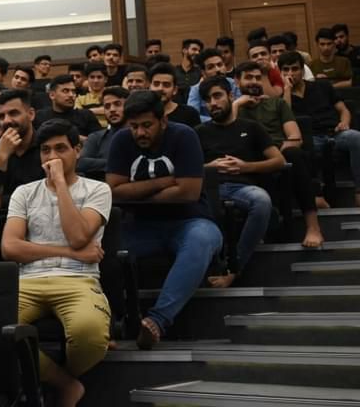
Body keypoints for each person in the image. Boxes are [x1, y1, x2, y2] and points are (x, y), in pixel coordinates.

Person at [2, 120, 112, 407]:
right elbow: (10, 247)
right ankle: (65, 384)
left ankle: (50, 377)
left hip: (78, 279)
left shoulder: (98, 189)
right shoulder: (24, 192)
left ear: (78, 150)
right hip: (28, 280)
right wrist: (72, 253)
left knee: (89, 335)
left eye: (61, 148)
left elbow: (78, 236)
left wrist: (61, 183)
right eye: (46, 150)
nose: (52, 157)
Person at [105, 90, 222, 349]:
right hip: (140, 226)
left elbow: (188, 192)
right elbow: (113, 191)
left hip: (191, 221)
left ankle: (156, 321)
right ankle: (110, 322)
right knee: (102, 248)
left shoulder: (184, 136)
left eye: (147, 125)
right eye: (134, 126)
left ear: (163, 121)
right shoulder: (121, 140)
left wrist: (136, 193)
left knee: (201, 240)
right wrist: (167, 181)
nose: (140, 133)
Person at [196, 77, 284, 287]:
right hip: (208, 188)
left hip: (241, 187)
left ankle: (234, 267)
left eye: (217, 96)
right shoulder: (198, 132)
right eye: (207, 99)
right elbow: (185, 170)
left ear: (230, 96)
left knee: (262, 201)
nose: (213, 103)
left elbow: (279, 161)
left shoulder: (251, 127)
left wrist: (246, 167)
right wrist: (209, 167)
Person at [234, 61, 324, 247]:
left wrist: (275, 155)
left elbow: (295, 137)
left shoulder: (277, 103)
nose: (254, 81)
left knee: (294, 154)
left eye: (258, 78)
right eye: (249, 77)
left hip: (280, 155)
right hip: (247, 158)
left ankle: (313, 227)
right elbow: (227, 138)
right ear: (237, 81)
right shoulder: (234, 108)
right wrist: (236, 104)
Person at [280, 51, 360, 208]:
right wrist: (287, 90)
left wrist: (344, 122)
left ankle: (359, 192)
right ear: (280, 72)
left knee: (356, 137)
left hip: (335, 132)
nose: (291, 73)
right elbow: (286, 117)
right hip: (310, 139)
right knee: (304, 150)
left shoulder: (322, 86)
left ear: (302, 70)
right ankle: (317, 196)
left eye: (295, 69)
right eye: (286, 70)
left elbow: (343, 109)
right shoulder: (281, 98)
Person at [0, 89, 45, 210]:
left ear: (31, 114)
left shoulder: (46, 146)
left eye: (13, 113)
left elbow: (48, 193)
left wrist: (1, 202)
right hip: (0, 218)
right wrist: (1, 158)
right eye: (1, 116)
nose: (7, 120)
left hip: (41, 214)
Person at [78, 86, 128, 176]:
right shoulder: (95, 137)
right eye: (107, 106)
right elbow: (81, 163)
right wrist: (120, 164)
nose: (112, 110)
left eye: (117, 104)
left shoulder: (139, 135)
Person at [35, 75, 102, 139]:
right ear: (52, 95)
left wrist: (75, 138)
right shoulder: (40, 116)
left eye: (73, 91)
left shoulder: (86, 115)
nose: (71, 95)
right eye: (65, 91)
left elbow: (100, 142)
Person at [186, 48, 241, 122]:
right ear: (203, 72)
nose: (218, 69)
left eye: (220, 65)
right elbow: (192, 116)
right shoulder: (196, 89)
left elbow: (241, 112)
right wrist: (217, 121)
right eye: (211, 67)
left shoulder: (233, 84)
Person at [149, 62, 201, 128]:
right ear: (149, 87)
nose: (160, 88)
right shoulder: (142, 112)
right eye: (156, 84)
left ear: (175, 90)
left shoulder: (190, 113)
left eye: (166, 85)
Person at [74, 63, 107, 127]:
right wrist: (101, 110)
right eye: (92, 77)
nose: (96, 81)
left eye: (99, 77)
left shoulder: (113, 93)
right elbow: (78, 114)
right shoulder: (80, 98)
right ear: (87, 79)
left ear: (105, 79)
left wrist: (87, 111)